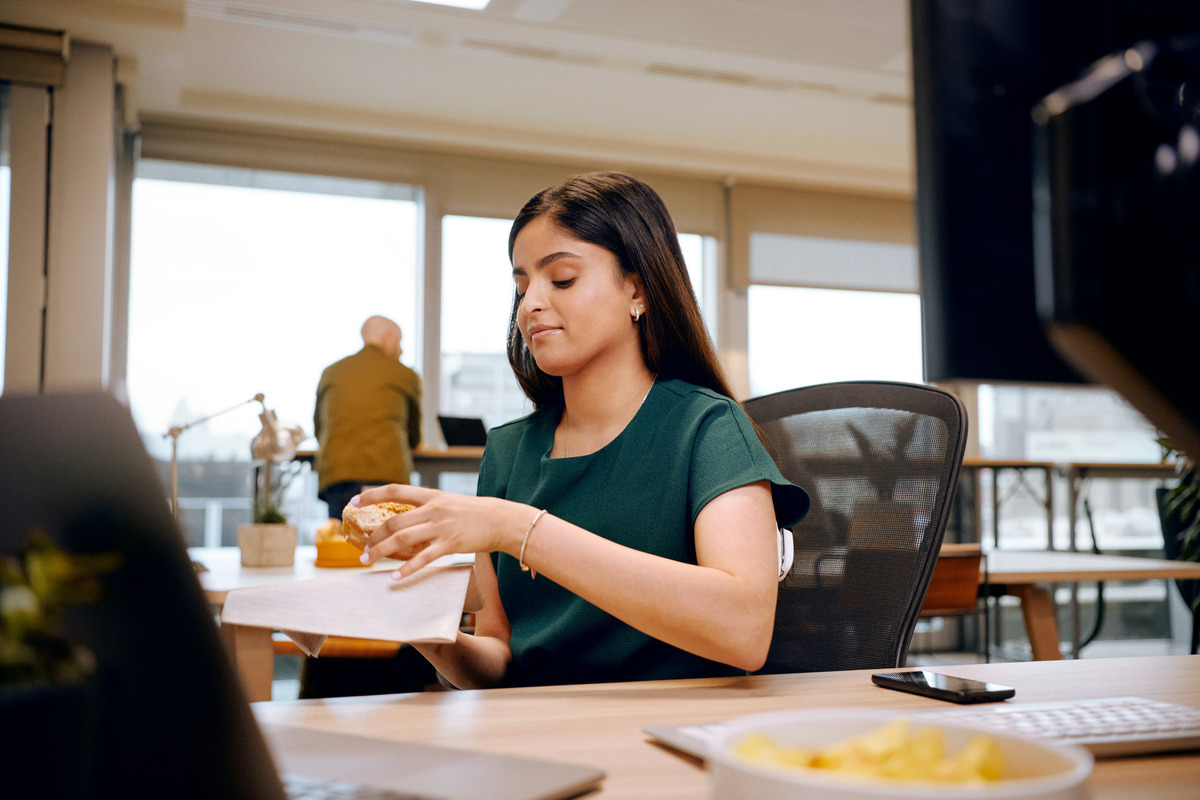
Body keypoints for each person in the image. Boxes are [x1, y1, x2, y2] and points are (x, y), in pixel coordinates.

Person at [356, 172, 809, 689]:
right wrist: (423, 626)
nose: (529, 305)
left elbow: (744, 632)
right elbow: (500, 656)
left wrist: (517, 528)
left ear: (636, 288)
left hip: (671, 736)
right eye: (522, 286)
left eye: (562, 279)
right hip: (541, 736)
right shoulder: (508, 452)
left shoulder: (708, 429)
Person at [314, 315, 423, 520]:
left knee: (343, 542)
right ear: (387, 337)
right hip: (388, 475)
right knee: (387, 545)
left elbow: (319, 428)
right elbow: (414, 435)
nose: (401, 350)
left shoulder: (330, 372)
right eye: (399, 343)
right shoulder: (405, 374)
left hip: (338, 474)